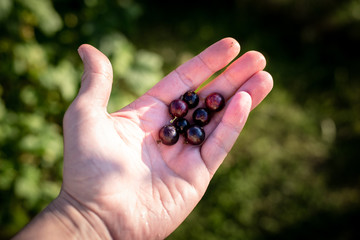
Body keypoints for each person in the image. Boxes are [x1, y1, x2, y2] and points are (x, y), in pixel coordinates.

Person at [12, 37, 273, 239]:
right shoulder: (181, 119)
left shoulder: (190, 118)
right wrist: (87, 217)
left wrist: (87, 221)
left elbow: (193, 117)